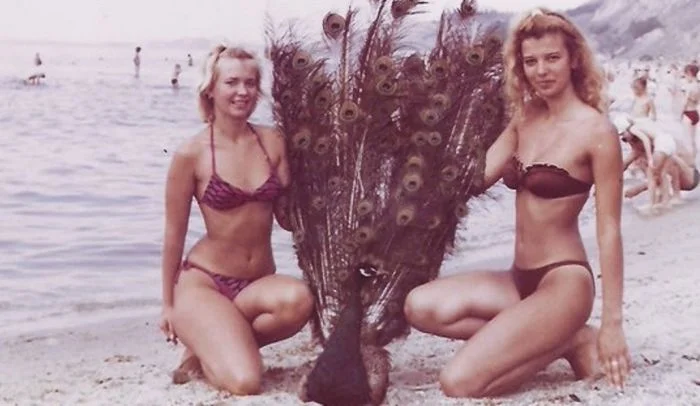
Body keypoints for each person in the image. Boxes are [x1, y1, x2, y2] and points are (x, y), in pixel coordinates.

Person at [403, 8, 630, 398]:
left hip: (564, 283)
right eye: (531, 61)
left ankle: (566, 336)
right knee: (418, 305)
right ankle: (560, 338)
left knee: (458, 382)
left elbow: (609, 231)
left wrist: (612, 324)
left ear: (574, 59)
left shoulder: (597, 133)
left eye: (552, 58)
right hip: (516, 279)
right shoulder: (524, 120)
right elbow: (474, 180)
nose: (541, 70)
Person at [159, 44, 313, 395]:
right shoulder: (191, 154)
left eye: (250, 83)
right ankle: (210, 339)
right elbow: (173, 234)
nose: (242, 91)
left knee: (299, 300)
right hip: (205, 283)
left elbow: (287, 218)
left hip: (258, 282)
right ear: (210, 89)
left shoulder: (272, 142)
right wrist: (167, 305)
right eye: (231, 82)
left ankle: (210, 345)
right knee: (245, 382)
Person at [614, 115, 678, 211]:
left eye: (623, 134)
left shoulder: (633, 129)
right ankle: (666, 202)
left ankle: (652, 204)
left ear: (627, 128)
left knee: (651, 174)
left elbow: (645, 140)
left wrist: (650, 158)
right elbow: (635, 152)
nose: (623, 138)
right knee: (662, 174)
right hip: (668, 141)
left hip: (662, 144)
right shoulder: (639, 128)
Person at [679, 63, 699, 158]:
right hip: (695, 113)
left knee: (687, 140)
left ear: (689, 73)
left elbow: (684, 102)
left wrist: (680, 114)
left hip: (688, 113)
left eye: (686, 75)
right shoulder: (698, 86)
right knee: (692, 139)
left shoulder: (688, 86)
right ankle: (694, 158)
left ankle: (690, 160)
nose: (685, 77)